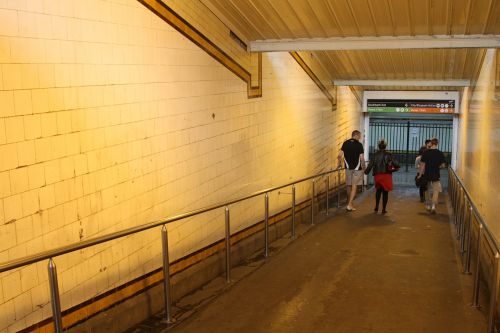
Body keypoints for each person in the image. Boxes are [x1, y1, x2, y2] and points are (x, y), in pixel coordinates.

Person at [365, 140, 399, 214]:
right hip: (387, 175)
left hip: (377, 175)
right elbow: (396, 163)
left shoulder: (374, 155)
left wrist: (366, 172)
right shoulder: (389, 154)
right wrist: (396, 166)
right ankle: (383, 209)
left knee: (378, 191)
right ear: (385, 146)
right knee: (385, 192)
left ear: (378, 146)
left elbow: (370, 165)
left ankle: (376, 206)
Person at [338, 130, 365, 212]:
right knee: (354, 185)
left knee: (348, 185)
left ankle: (349, 202)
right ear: (356, 135)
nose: (360, 138)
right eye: (359, 136)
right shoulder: (359, 145)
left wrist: (339, 164)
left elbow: (339, 155)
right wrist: (364, 167)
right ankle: (349, 204)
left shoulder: (345, 143)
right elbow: (361, 158)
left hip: (348, 168)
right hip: (357, 168)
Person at [417, 138, 446, 214]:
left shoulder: (426, 153)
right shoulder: (440, 153)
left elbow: (422, 165)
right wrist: (438, 166)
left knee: (428, 190)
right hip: (436, 175)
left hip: (427, 174)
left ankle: (429, 205)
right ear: (437, 144)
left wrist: (420, 174)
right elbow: (443, 165)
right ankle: (433, 206)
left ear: (431, 144)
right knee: (436, 190)